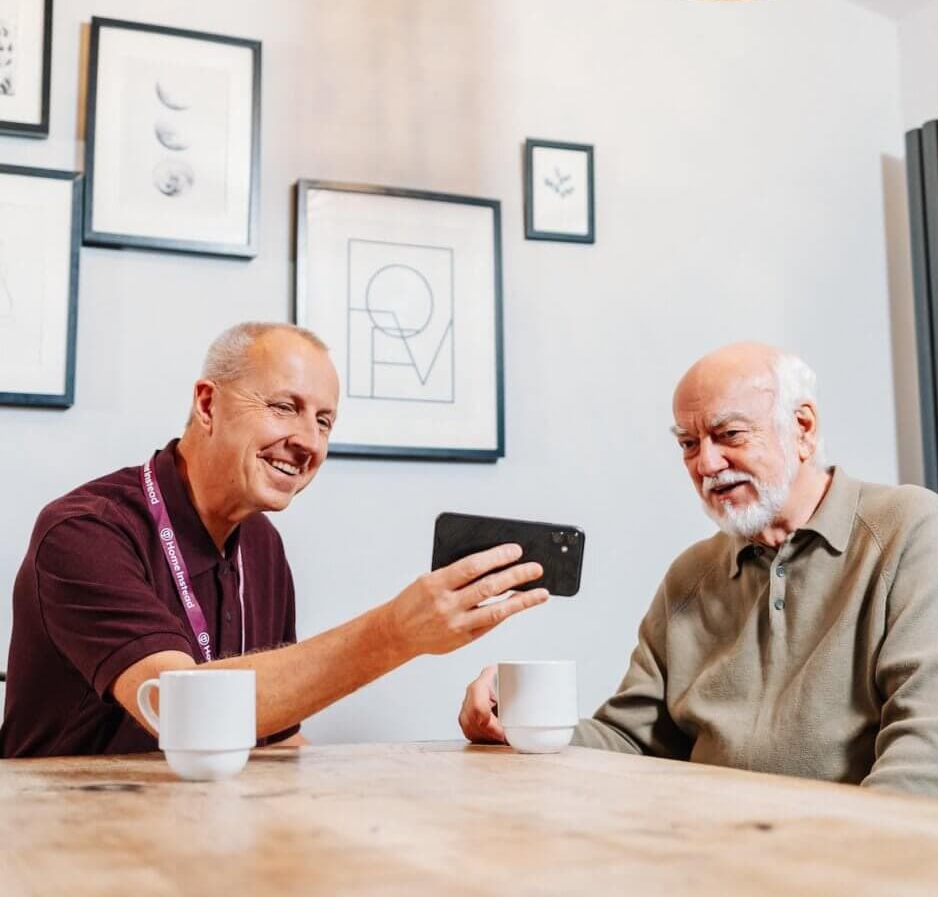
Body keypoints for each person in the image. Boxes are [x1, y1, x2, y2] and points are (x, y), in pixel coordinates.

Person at [460, 342, 938, 804]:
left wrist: (838, 865)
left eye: (730, 435)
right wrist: (521, 725)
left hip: (899, 862)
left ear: (803, 429)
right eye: (689, 444)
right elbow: (632, 740)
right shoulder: (691, 575)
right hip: (737, 856)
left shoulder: (908, 527)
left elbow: (929, 755)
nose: (706, 464)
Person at [1, 322, 547, 756]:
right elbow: (178, 709)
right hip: (67, 836)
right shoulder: (84, 531)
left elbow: (278, 740)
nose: (309, 441)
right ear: (208, 405)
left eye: (325, 422)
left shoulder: (262, 544)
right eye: (285, 407)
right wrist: (397, 632)